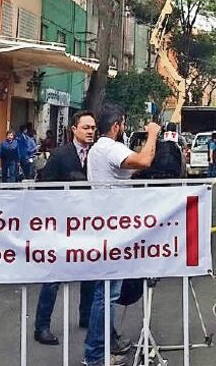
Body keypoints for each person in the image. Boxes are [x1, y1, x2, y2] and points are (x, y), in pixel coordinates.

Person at [83, 104, 161, 366]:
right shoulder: (110, 147)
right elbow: (143, 161)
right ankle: (95, 354)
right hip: (112, 228)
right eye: (123, 124)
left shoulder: (100, 149)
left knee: (106, 292)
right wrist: (152, 134)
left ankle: (105, 343)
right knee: (107, 294)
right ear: (116, 125)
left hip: (108, 226)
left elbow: (130, 168)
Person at [34, 110, 98, 345]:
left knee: (90, 272)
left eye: (93, 128)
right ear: (74, 129)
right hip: (63, 225)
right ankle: (41, 326)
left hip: (90, 224)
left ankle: (86, 315)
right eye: (86, 127)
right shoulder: (60, 155)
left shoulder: (97, 154)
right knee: (54, 276)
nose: (90, 131)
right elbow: (44, 188)